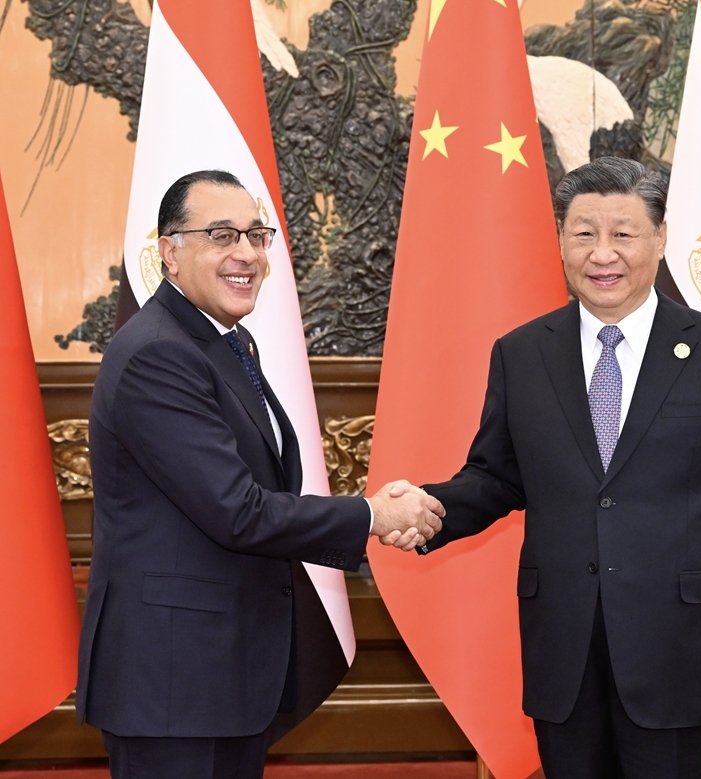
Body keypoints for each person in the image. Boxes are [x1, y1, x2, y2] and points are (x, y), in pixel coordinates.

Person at [415, 157, 701, 778]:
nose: (602, 254)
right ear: (560, 241)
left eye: (623, 233)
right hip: (566, 657)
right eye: (583, 233)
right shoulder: (522, 353)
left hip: (686, 656)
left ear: (660, 237)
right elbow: (496, 477)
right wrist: (425, 510)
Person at [75, 170, 443, 779]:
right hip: (174, 683)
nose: (246, 253)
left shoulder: (228, 342)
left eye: (256, 235)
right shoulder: (158, 353)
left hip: (225, 673)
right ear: (169, 252)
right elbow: (238, 511)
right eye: (222, 235)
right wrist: (373, 515)